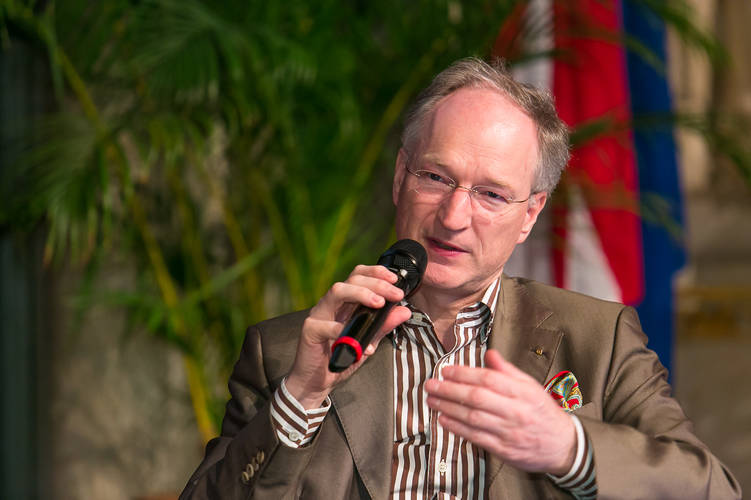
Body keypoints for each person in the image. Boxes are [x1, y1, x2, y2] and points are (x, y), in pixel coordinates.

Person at [179, 57, 741, 499]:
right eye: (435, 177)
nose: (453, 217)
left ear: (530, 214)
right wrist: (301, 396)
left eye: (491, 194)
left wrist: (571, 448)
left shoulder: (599, 339)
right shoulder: (287, 351)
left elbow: (710, 489)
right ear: (400, 177)